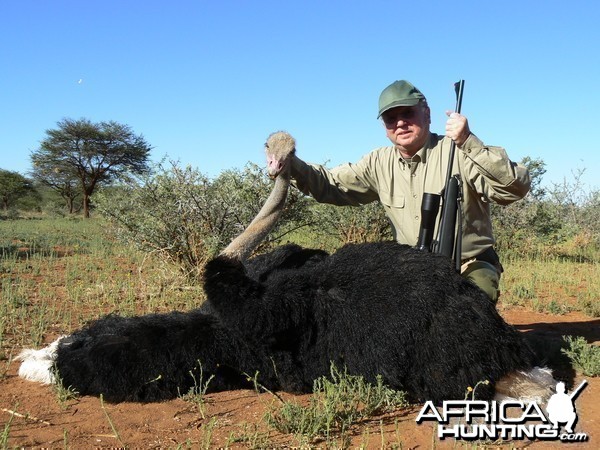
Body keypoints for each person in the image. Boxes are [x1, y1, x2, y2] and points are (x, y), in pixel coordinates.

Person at [289, 80, 531, 302]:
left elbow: (513, 188)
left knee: (473, 303)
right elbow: (330, 184)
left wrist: (468, 140)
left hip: (468, 263)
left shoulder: (459, 151)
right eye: (390, 118)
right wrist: (291, 165)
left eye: (408, 113)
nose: (400, 123)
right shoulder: (378, 162)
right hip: (414, 265)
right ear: (384, 127)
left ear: (426, 114)